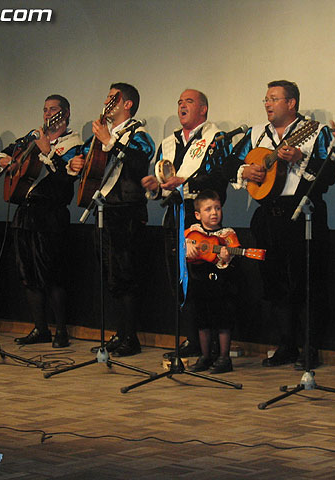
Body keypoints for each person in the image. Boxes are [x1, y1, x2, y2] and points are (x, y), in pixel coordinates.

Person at [226, 80, 335, 369]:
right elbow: (228, 163)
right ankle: (286, 344)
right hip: (267, 216)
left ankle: (310, 348)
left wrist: (301, 159)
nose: (267, 104)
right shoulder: (256, 134)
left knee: (307, 283)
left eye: (274, 98)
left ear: (291, 103)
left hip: (302, 214)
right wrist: (245, 170)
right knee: (274, 283)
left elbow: (330, 173)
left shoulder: (315, 131)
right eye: (265, 99)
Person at [141, 89, 231, 359]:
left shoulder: (216, 139)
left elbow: (220, 177)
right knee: (179, 281)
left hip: (201, 220)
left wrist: (186, 184)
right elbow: (163, 182)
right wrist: (155, 187)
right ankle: (193, 340)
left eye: (189, 102)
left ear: (203, 109)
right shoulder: (169, 142)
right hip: (174, 217)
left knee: (204, 283)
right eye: (179, 102)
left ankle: (211, 346)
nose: (182, 106)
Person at [71, 83, 155, 357]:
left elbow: (139, 163)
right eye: (107, 97)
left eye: (112, 98)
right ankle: (120, 333)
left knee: (126, 274)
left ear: (127, 104)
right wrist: (75, 164)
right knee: (111, 276)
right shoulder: (100, 134)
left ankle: (131, 338)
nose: (106, 101)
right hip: (104, 210)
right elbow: (83, 158)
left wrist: (110, 140)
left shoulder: (139, 134)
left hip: (127, 212)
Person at [0, 95, 81, 348]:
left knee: (52, 274)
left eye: (53, 109)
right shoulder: (32, 137)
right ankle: (40, 328)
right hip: (25, 212)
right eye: (45, 109)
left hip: (51, 214)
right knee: (27, 274)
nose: (47, 113)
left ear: (65, 113)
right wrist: (5, 161)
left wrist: (47, 151)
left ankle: (61, 331)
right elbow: (2, 154)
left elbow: (66, 177)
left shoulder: (74, 144)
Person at [184, 190, 240, 374]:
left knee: (223, 320)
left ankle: (224, 358)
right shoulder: (193, 231)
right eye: (208, 209)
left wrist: (227, 254)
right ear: (198, 215)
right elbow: (182, 242)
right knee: (203, 321)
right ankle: (205, 356)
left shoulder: (227, 234)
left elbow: (234, 251)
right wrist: (187, 245)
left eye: (217, 208)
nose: (214, 213)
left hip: (221, 284)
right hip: (199, 282)